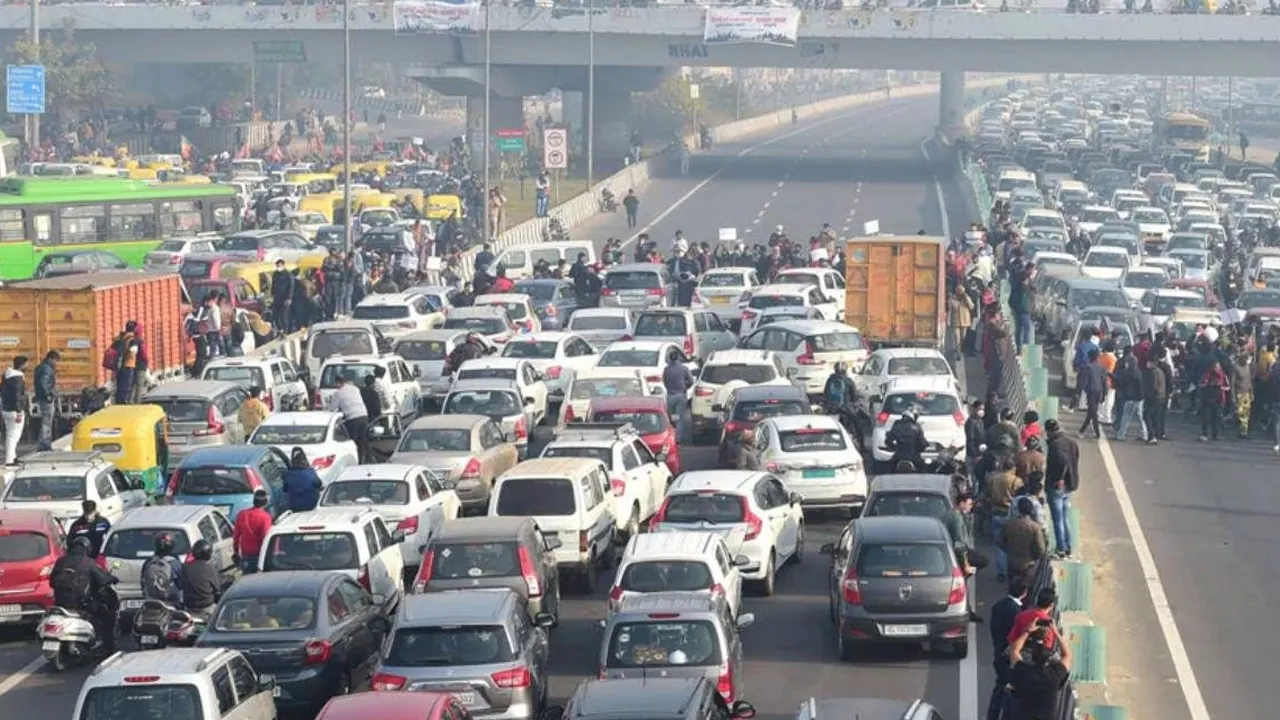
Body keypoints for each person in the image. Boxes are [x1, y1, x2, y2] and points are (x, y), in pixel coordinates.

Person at [50, 535, 118, 653]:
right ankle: (107, 648)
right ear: (87, 549)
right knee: (107, 616)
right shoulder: (88, 562)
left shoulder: (60, 561)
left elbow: (51, 581)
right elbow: (101, 579)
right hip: (81, 604)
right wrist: (112, 578)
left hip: (60, 603)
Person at [1008, 625, 1071, 720]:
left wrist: (1027, 631)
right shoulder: (1055, 674)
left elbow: (1014, 650)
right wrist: (1057, 633)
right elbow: (1067, 656)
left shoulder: (1024, 670)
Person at [988, 577, 1029, 720]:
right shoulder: (1018, 613)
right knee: (1007, 689)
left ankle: (992, 716)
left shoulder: (998, 605)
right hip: (1008, 655)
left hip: (998, 651)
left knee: (1000, 686)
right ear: (1024, 593)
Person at [941, 493, 986, 622]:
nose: (971, 507)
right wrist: (966, 565)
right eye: (969, 503)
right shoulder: (956, 518)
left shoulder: (953, 515)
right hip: (957, 555)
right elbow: (960, 543)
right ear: (961, 503)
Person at [986, 456, 1020, 582]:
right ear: (1012, 468)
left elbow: (987, 494)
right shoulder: (1016, 481)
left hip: (996, 513)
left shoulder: (993, 479)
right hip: (1010, 515)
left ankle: (1001, 572)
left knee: (999, 545)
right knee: (1013, 545)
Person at [999, 497, 1047, 586]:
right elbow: (1041, 548)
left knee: (1013, 587)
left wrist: (1009, 551)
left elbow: (1000, 542)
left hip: (1012, 561)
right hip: (1029, 564)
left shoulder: (1009, 524)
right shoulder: (1035, 527)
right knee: (1026, 589)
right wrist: (1033, 556)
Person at [331, 375, 371, 461]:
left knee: (353, 442)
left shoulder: (338, 393)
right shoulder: (355, 389)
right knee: (363, 439)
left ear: (338, 383)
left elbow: (333, 408)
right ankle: (368, 459)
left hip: (352, 418)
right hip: (363, 415)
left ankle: (355, 460)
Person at [233, 489, 273, 574]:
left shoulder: (242, 514)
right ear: (265, 502)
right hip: (260, 556)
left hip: (246, 555)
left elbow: (236, 537)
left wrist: (236, 552)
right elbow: (265, 538)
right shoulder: (265, 517)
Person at [139, 533, 183, 606]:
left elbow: (142, 582)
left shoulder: (149, 562)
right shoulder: (174, 563)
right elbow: (181, 584)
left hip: (151, 602)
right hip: (171, 603)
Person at [180, 540, 221, 619]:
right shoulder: (209, 567)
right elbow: (217, 588)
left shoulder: (185, 567)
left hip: (189, 608)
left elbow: (181, 585)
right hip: (207, 608)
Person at [662, 349, 695, 443]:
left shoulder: (667, 369)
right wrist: (685, 387)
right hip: (680, 395)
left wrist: (670, 388)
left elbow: (665, 382)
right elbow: (691, 381)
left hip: (670, 395)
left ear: (669, 359)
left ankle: (673, 436)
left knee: (673, 417)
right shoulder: (683, 368)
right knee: (680, 418)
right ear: (678, 357)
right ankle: (678, 439)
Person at [1, 355, 28, 465]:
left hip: (7, 409)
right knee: (13, 435)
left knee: (11, 434)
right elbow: (17, 396)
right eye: (26, 364)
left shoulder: (7, 375)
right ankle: (9, 460)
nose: (27, 366)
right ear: (22, 365)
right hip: (14, 410)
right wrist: (19, 411)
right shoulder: (18, 378)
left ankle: (13, 457)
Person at [283, 447, 324, 512]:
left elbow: (285, 489)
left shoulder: (287, 475)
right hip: (312, 505)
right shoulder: (310, 472)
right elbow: (318, 484)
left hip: (295, 506)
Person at [1199, 358, 1230, 441]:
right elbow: (1201, 384)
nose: (1216, 368)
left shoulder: (1223, 375)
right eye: (1215, 367)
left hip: (1219, 399)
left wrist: (1220, 387)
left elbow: (1228, 387)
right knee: (1207, 418)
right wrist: (1208, 384)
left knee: (1217, 418)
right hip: (1208, 399)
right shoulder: (1206, 374)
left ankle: (1215, 434)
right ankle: (1205, 434)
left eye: (1217, 367)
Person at [33, 351, 59, 452]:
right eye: (55, 360)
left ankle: (45, 443)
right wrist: (48, 394)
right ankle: (44, 444)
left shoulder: (41, 367)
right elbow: (43, 383)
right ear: (50, 359)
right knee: (47, 422)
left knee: (46, 421)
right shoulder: (46, 369)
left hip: (41, 397)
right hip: (45, 398)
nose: (55, 363)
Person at [1077, 348, 1105, 439]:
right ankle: (1082, 431)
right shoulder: (1101, 368)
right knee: (1091, 412)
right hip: (1098, 391)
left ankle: (1097, 433)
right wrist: (1104, 394)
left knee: (1093, 413)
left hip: (1091, 392)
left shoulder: (1087, 367)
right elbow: (1103, 381)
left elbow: (1082, 382)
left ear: (1089, 357)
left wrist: (1078, 392)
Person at [1142, 354, 1167, 445]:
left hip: (1154, 398)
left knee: (1147, 416)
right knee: (1155, 417)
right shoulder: (1160, 371)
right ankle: (1154, 435)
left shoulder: (1153, 372)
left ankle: (1152, 436)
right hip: (1161, 397)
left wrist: (1147, 396)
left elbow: (1153, 386)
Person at [271, 260, 295, 334]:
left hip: (285, 299)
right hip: (277, 298)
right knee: (275, 315)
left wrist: (289, 298)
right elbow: (273, 284)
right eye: (277, 266)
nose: (278, 267)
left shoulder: (288, 274)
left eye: (279, 265)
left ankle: (285, 331)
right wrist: (272, 293)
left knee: (284, 316)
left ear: (283, 265)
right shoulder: (275, 274)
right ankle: (280, 329)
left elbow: (291, 286)